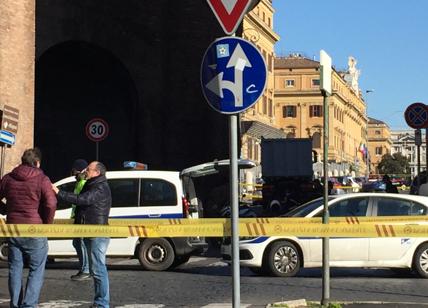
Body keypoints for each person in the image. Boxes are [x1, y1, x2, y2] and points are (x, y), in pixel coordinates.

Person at [0, 148, 57, 308]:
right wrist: (47, 223)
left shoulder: (8, 178)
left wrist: (5, 209)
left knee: (15, 269)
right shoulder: (42, 179)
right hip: (35, 229)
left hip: (13, 229)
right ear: (37, 163)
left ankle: (16, 304)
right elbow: (51, 203)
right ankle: (29, 305)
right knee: (36, 269)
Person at [53, 161, 111, 308]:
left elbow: (82, 200)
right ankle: (100, 302)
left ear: (97, 172)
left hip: (97, 232)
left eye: (89, 169)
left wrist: (59, 192)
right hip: (90, 231)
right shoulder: (92, 183)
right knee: (95, 269)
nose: (86, 171)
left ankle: (102, 303)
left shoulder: (100, 187)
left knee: (98, 269)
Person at [69, 159, 91, 281]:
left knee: (81, 243)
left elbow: (79, 200)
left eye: (75, 171)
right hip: (78, 217)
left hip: (82, 218)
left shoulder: (83, 183)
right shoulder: (79, 182)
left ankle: (86, 270)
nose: (74, 173)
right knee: (77, 243)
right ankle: (84, 268)